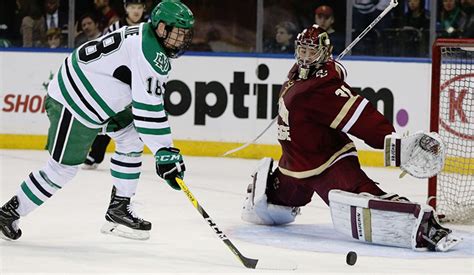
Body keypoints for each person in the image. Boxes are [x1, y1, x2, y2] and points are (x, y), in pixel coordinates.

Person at [241, 24, 461, 252]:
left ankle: (425, 227)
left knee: (365, 198)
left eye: (311, 51)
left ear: (325, 53)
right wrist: (331, 68)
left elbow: (362, 118)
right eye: (303, 50)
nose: (305, 57)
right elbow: (327, 72)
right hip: (292, 167)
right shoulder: (299, 74)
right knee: (267, 207)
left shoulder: (323, 89)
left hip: (329, 164)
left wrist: (395, 144)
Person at [0, 0, 194, 241]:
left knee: (132, 136)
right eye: (178, 33)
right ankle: (9, 213)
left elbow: (149, 107)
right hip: (74, 102)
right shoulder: (150, 51)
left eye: (186, 34)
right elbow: (148, 110)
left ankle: (119, 209)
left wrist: (165, 150)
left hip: (98, 96)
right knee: (61, 170)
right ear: (162, 27)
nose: (182, 40)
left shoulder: (148, 38)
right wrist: (165, 151)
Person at [83, 0, 149, 170]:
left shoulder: (150, 28)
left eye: (139, 7)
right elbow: (102, 52)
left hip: (142, 79)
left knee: (150, 116)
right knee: (110, 113)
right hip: (119, 79)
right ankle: (96, 154)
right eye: (132, 7)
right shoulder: (115, 28)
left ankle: (161, 154)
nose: (136, 11)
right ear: (126, 9)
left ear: (143, 9)